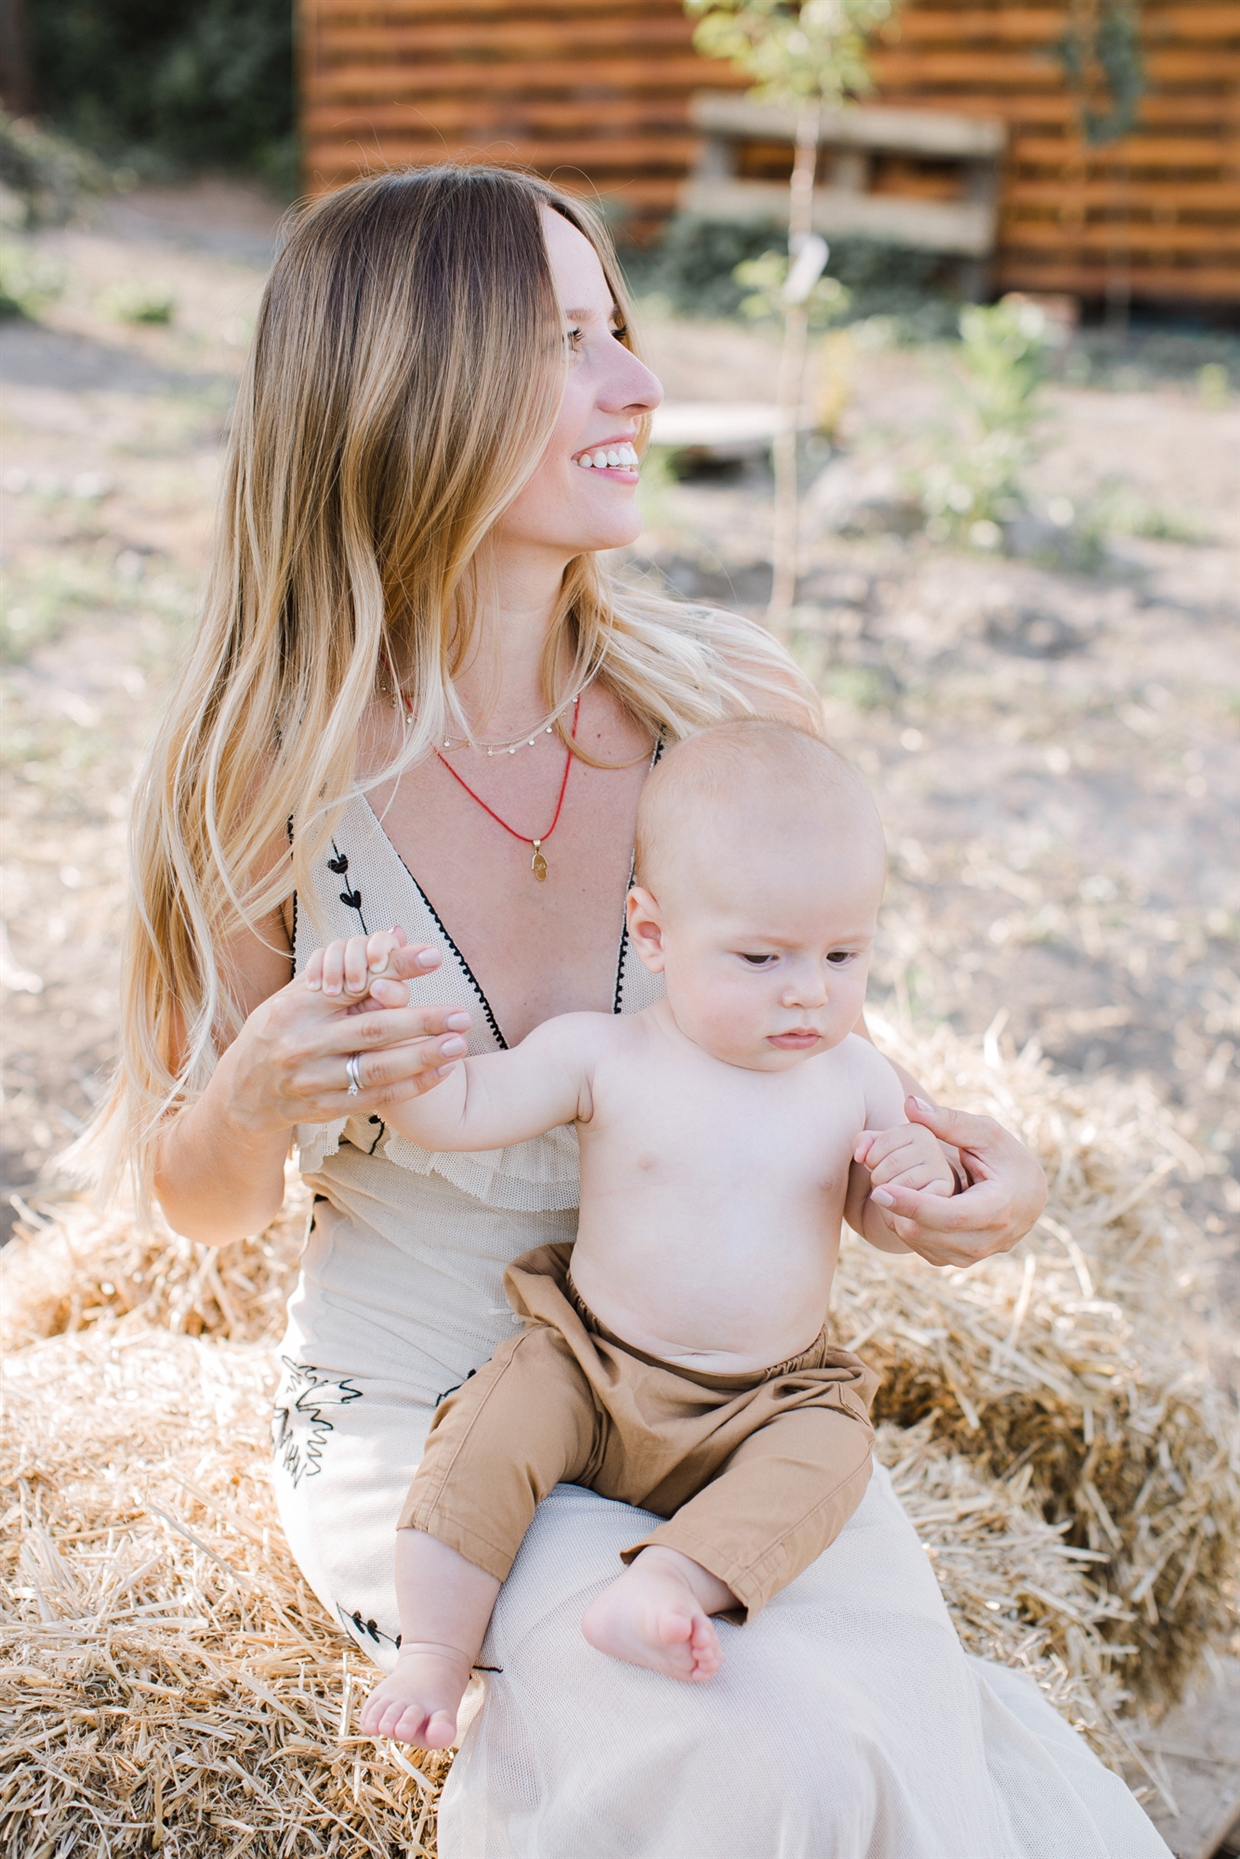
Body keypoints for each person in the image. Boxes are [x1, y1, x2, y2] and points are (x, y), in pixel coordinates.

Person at [93, 163, 1171, 1856]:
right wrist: (251, 1087)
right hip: (440, 1423)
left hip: (730, 1406)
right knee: (765, 1764)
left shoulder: (727, 703)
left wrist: (970, 1177)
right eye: (568, 343)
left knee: (895, 1753)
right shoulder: (261, 771)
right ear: (412, 388)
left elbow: (809, 1057)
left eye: (621, 330)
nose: (642, 385)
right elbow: (197, 1200)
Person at [328, 722, 951, 1745]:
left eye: (845, 954)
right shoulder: (606, 1054)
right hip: (591, 1363)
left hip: (764, 1392)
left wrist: (914, 1182)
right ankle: (435, 1653)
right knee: (484, 1434)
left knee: (833, 1452)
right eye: (761, 956)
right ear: (652, 934)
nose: (808, 988)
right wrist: (399, 1039)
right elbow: (460, 1109)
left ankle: (666, 1581)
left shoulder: (856, 1080)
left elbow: (887, 1220)